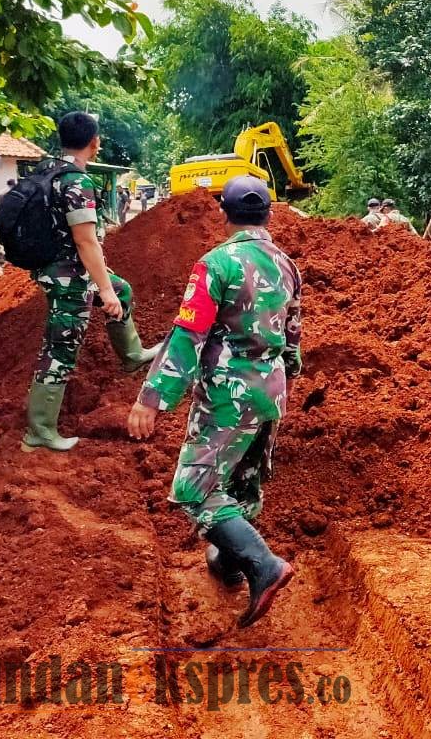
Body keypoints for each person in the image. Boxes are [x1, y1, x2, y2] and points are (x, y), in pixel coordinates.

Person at [127, 175, 302, 628]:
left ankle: (264, 565)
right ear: (269, 213)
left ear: (224, 214)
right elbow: (293, 335)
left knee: (195, 488)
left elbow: (188, 336)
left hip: (229, 394)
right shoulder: (286, 265)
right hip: (271, 389)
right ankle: (227, 563)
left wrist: (153, 397)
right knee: (241, 484)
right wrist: (285, 376)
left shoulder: (216, 264)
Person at [24, 112, 161, 452]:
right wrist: (103, 289)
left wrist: (109, 286)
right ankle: (39, 432)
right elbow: (86, 241)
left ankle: (131, 354)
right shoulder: (76, 182)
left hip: (55, 268)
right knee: (60, 348)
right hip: (68, 278)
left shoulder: (47, 171)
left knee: (123, 290)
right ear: (94, 142)